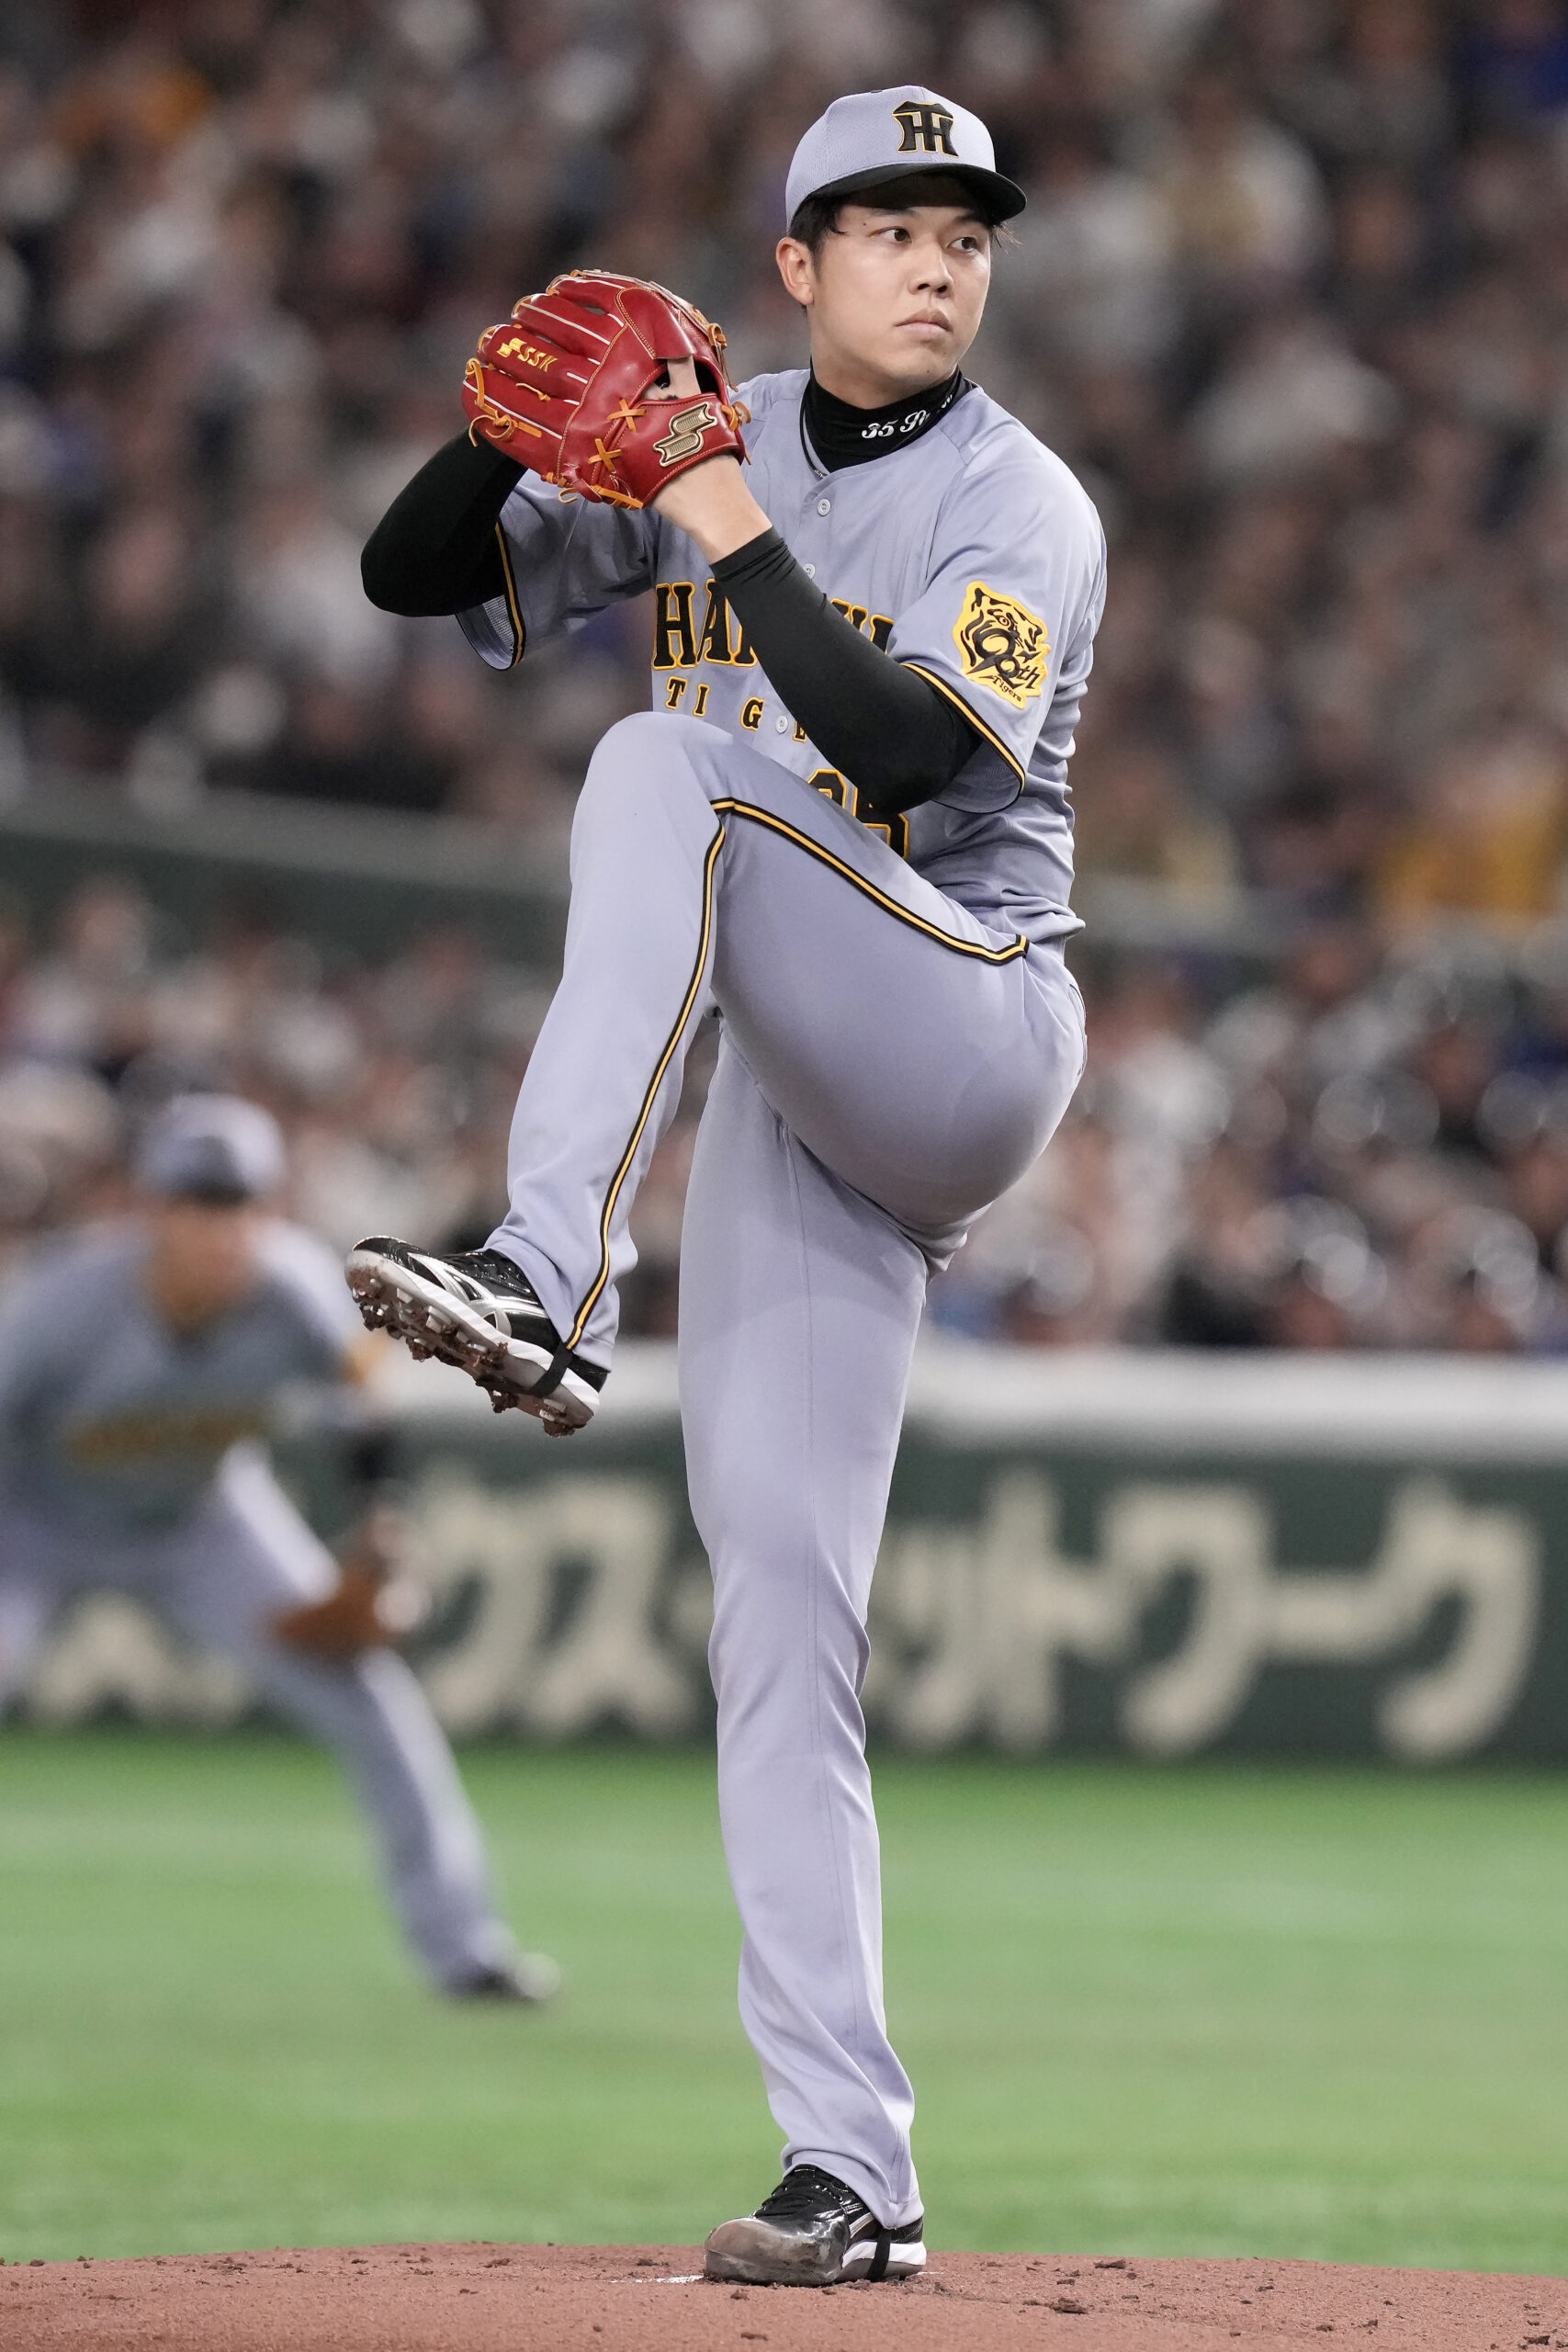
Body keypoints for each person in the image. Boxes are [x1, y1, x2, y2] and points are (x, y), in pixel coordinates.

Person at [353, 85, 1104, 2282]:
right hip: (794, 1087)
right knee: (778, 1619)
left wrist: (702, 504)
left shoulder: (1018, 497)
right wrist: (504, 426)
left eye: (963, 225)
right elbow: (409, 577)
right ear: (793, 265)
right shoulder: (722, 425)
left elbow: (891, 763)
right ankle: (847, 2170)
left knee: (659, 753)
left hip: (962, 1017)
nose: (936, 258)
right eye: (882, 223)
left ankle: (548, 1270)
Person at [0, 1093, 556, 2004]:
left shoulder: (294, 1289)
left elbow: (364, 1412)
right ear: (152, 1212)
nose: (223, 1232)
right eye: (199, 1207)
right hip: (35, 1518)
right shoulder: (63, 1301)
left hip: (202, 1520)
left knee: (373, 1703)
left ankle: (466, 1951)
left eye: (241, 1207)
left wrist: (381, 1527)